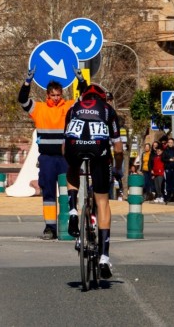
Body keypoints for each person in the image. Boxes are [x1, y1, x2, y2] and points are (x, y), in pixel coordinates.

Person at [18, 67, 86, 240]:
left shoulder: (69, 107)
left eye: (58, 95)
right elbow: (22, 100)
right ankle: (50, 227)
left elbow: (85, 99)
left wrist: (81, 81)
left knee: (68, 192)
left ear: (61, 94)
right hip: (47, 158)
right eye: (53, 95)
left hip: (65, 158)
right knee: (48, 193)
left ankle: (70, 225)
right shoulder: (39, 108)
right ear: (47, 95)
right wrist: (27, 81)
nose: (56, 98)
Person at [64, 83, 123, 279]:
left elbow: (64, 145)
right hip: (99, 152)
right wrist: (117, 168)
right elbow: (118, 148)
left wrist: (72, 162)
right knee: (103, 201)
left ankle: (73, 211)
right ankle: (104, 257)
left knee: (72, 168)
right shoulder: (108, 110)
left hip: (75, 148)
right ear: (103, 98)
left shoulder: (73, 108)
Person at [162, 137, 174, 202]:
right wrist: (169, 160)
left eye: (171, 142)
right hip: (168, 168)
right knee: (168, 183)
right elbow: (163, 159)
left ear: (173, 143)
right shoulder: (165, 150)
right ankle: (168, 196)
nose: (170, 144)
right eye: (169, 142)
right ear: (167, 143)